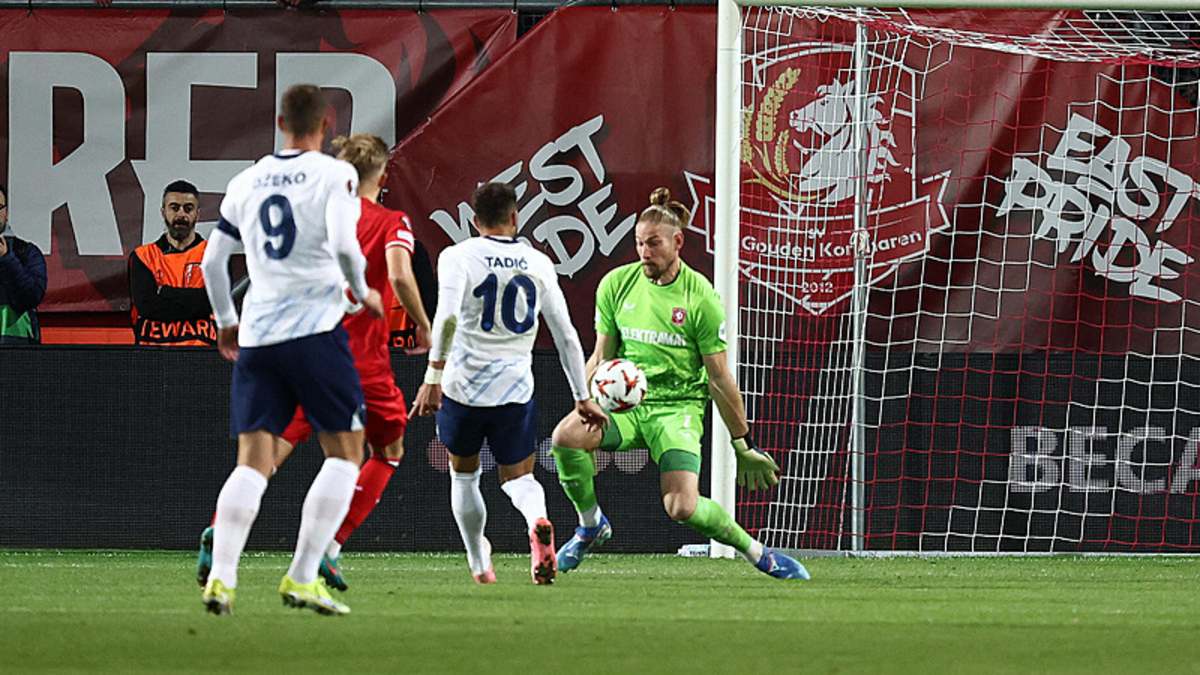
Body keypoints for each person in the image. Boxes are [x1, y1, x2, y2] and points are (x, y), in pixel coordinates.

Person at [195, 133, 432, 593]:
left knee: (263, 458)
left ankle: (220, 529)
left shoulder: (315, 215)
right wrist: (422, 322)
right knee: (385, 452)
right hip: (362, 362)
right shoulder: (389, 219)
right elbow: (400, 273)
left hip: (302, 348)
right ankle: (328, 548)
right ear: (382, 176)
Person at [549, 187, 809, 581]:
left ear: (677, 242)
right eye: (638, 243)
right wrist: (584, 400)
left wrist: (744, 445)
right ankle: (590, 525)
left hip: (679, 408)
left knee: (682, 507)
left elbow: (720, 378)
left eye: (653, 243)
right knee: (565, 436)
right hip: (629, 408)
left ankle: (758, 553)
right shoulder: (616, 285)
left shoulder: (700, 297)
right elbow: (602, 357)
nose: (644, 252)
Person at [412, 182, 607, 585]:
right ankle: (537, 519)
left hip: (462, 388)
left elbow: (446, 317)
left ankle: (479, 563)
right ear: (515, 217)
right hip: (514, 390)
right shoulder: (537, 262)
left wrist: (432, 376)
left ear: (473, 220)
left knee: (464, 474)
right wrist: (582, 397)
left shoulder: (457, 256)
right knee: (520, 477)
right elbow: (567, 334)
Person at [128, 180, 216, 346]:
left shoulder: (215, 255)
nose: (181, 214)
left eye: (188, 208)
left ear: (198, 214)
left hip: (203, 357)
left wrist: (166, 292)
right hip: (154, 357)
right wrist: (198, 303)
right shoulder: (143, 256)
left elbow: (216, 303)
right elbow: (146, 307)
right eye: (174, 208)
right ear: (163, 212)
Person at [0, 183, 46, 345]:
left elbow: (31, 297)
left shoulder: (26, 252)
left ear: (7, 213)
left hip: (16, 356)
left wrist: (6, 260)